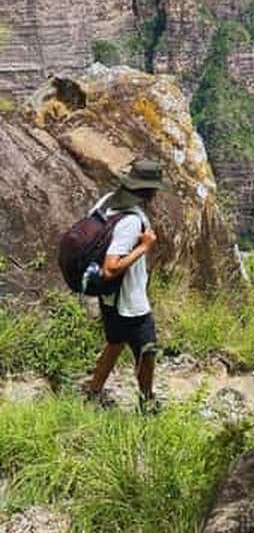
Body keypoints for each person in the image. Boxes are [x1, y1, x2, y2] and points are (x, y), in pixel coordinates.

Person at [84, 159, 167, 413]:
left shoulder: (108, 201)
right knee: (148, 349)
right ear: (149, 191)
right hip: (129, 300)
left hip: (109, 297)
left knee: (116, 342)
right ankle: (147, 400)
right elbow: (111, 267)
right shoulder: (132, 221)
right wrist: (143, 247)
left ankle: (94, 392)